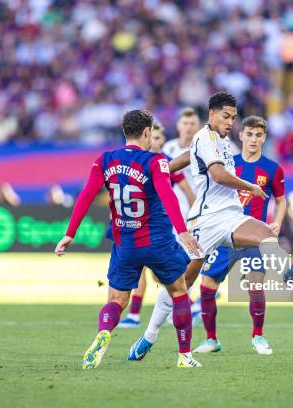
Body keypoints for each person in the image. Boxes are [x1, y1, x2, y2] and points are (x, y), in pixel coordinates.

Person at [128, 92, 290, 361]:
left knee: (265, 233)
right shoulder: (205, 138)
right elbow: (217, 174)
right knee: (181, 283)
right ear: (212, 114)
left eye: (233, 118)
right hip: (205, 221)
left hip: (231, 215)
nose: (230, 122)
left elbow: (183, 160)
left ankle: (290, 268)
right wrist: (250, 186)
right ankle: (149, 336)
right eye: (226, 117)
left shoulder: (222, 142)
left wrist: (160, 169)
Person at [55, 109, 203, 369]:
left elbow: (86, 195)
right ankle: (184, 356)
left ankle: (104, 333)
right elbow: (168, 196)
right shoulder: (154, 161)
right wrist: (181, 230)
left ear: (125, 132)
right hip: (158, 243)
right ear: (147, 132)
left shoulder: (105, 160)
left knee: (116, 301)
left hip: (126, 244)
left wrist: (70, 233)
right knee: (180, 293)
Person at [193, 116, 286, 355]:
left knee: (255, 284)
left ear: (264, 138)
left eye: (258, 135)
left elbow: (281, 200)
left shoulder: (272, 169)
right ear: (241, 136)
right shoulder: (227, 164)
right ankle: (211, 339)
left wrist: (277, 221)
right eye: (249, 134)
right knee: (207, 284)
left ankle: (258, 336)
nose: (253, 139)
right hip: (225, 233)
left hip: (252, 235)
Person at [118, 121, 196, 328]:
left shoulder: (166, 162)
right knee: (145, 269)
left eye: (160, 138)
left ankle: (188, 303)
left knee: (159, 272)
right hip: (140, 223)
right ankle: (136, 314)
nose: (155, 141)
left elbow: (186, 190)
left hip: (161, 224)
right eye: (154, 137)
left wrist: (193, 217)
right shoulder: (136, 162)